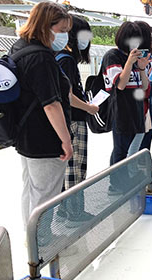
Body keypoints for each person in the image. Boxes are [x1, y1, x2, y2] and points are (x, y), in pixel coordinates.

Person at [10, 1, 72, 227]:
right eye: (62, 30)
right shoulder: (41, 57)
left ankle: (32, 241)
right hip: (44, 138)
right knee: (45, 197)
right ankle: (42, 246)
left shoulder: (19, 47)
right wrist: (66, 140)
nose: (64, 36)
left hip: (24, 134)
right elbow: (51, 105)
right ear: (47, 26)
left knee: (31, 190)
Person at [57, 15, 99, 189]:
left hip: (67, 118)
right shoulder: (66, 59)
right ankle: (74, 212)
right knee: (75, 167)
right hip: (73, 119)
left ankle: (68, 210)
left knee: (68, 167)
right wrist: (88, 108)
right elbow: (67, 95)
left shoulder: (59, 56)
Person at [101, 21, 151, 166]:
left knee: (131, 151)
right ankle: (116, 184)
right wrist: (129, 62)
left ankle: (126, 181)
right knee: (120, 151)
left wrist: (141, 68)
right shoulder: (112, 56)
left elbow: (145, 86)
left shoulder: (135, 58)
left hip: (136, 110)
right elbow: (120, 85)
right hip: (121, 111)